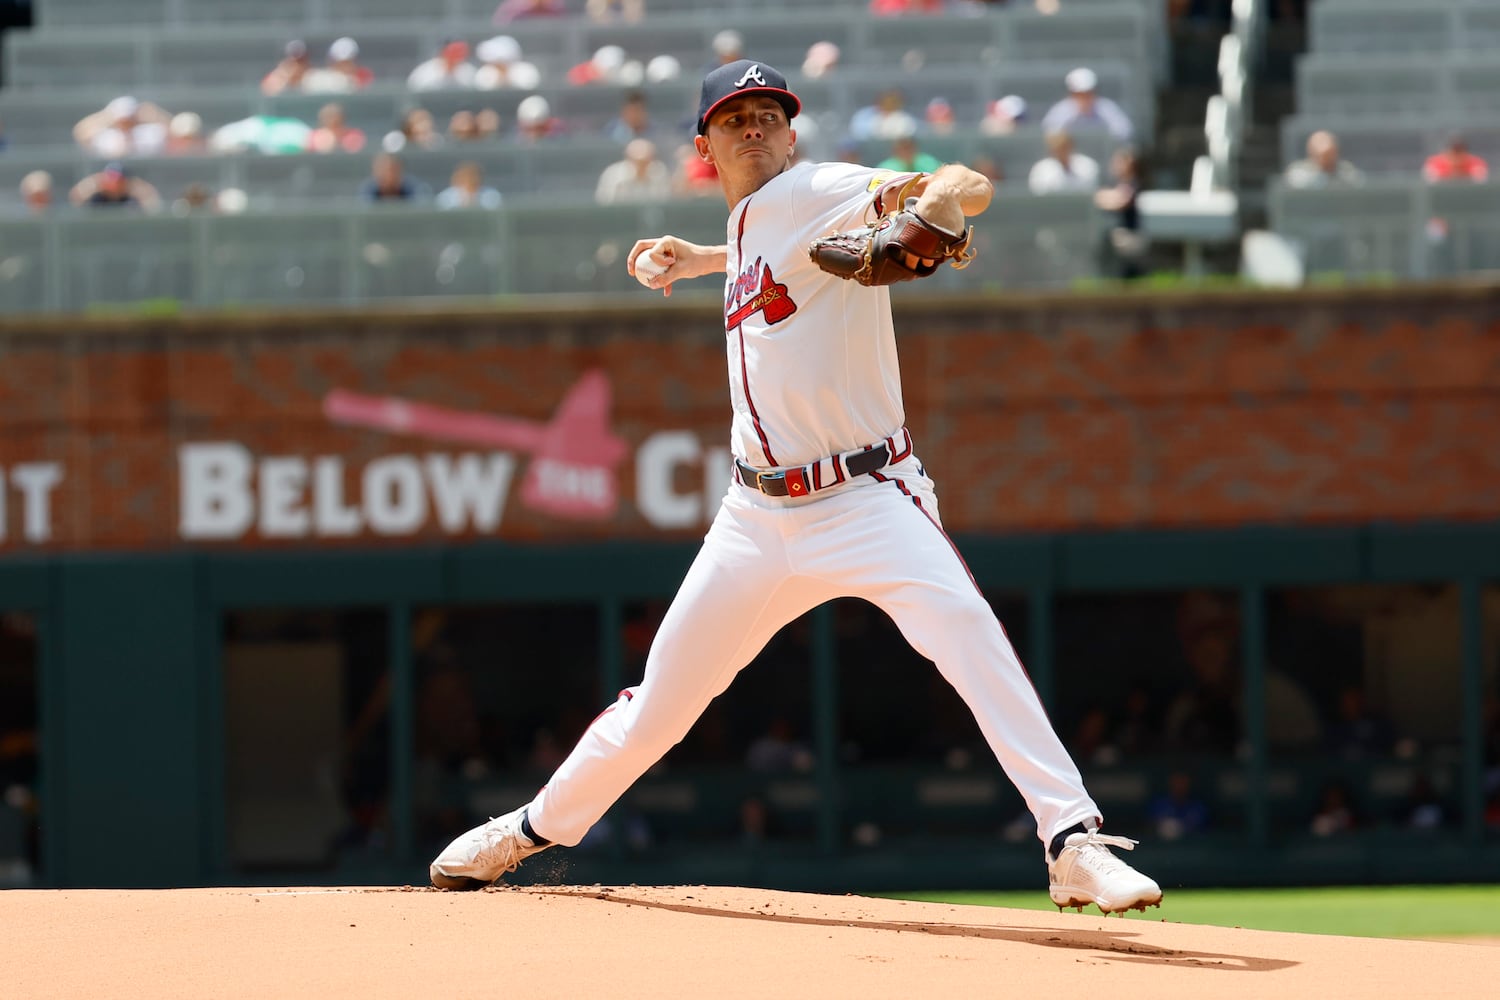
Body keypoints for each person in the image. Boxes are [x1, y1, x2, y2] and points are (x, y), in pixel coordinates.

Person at [428, 57, 1162, 916]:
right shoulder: (748, 227)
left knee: (965, 633)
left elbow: (962, 185)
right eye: (735, 118)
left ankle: (1071, 839)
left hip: (863, 494)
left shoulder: (819, 186)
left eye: (769, 113)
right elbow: (769, 250)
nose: (754, 127)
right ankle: (529, 832)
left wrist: (930, 207)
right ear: (704, 144)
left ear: (792, 131)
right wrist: (700, 257)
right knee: (659, 705)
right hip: (754, 516)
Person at [1040, 67, 1134, 144]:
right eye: (1079, 94)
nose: (1084, 98)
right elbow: (1049, 134)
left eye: (1088, 93)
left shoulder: (1106, 107)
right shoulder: (1061, 110)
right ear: (1071, 93)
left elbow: (1125, 131)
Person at [72, 95, 171, 157]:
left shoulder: (148, 134)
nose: (126, 123)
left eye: (129, 118)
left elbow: (175, 133)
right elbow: (80, 133)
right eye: (122, 120)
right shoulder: (107, 138)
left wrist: (153, 114)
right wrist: (105, 116)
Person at [594, 137, 672, 203]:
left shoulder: (660, 172)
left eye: (646, 161)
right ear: (628, 158)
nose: (641, 164)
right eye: (636, 161)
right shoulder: (613, 174)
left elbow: (665, 200)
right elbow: (605, 202)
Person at [68, 161, 162, 211]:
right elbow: (75, 199)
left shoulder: (131, 198)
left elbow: (154, 206)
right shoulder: (96, 197)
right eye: (110, 178)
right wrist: (93, 181)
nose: (114, 182)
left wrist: (137, 186)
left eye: (119, 180)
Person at [1028, 130, 1100, 194]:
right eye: (1056, 149)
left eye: (1064, 147)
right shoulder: (1040, 168)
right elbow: (1038, 194)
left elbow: (1089, 192)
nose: (1061, 152)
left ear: (1071, 146)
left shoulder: (1088, 165)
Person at [1284, 130, 1363, 188]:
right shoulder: (1298, 171)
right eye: (1320, 156)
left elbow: (1357, 185)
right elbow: (1295, 185)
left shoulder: (1346, 170)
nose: (1327, 159)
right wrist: (1323, 173)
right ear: (1311, 153)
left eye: (1330, 154)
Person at [407, 39, 477, 92]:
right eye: (453, 51)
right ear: (443, 52)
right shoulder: (425, 71)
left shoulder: (468, 71)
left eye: (460, 52)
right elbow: (414, 91)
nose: (457, 57)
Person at [1422, 134, 1489, 184]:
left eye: (1460, 151)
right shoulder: (1434, 163)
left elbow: (1480, 182)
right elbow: (1430, 184)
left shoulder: (1476, 163)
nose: (1456, 156)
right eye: (1454, 151)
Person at [360, 153, 425, 202]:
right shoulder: (367, 193)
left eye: (392, 170)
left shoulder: (413, 190)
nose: (387, 175)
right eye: (382, 170)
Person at [436, 161, 503, 209]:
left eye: (474, 175)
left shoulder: (492, 195)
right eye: (465, 176)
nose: (470, 179)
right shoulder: (446, 197)